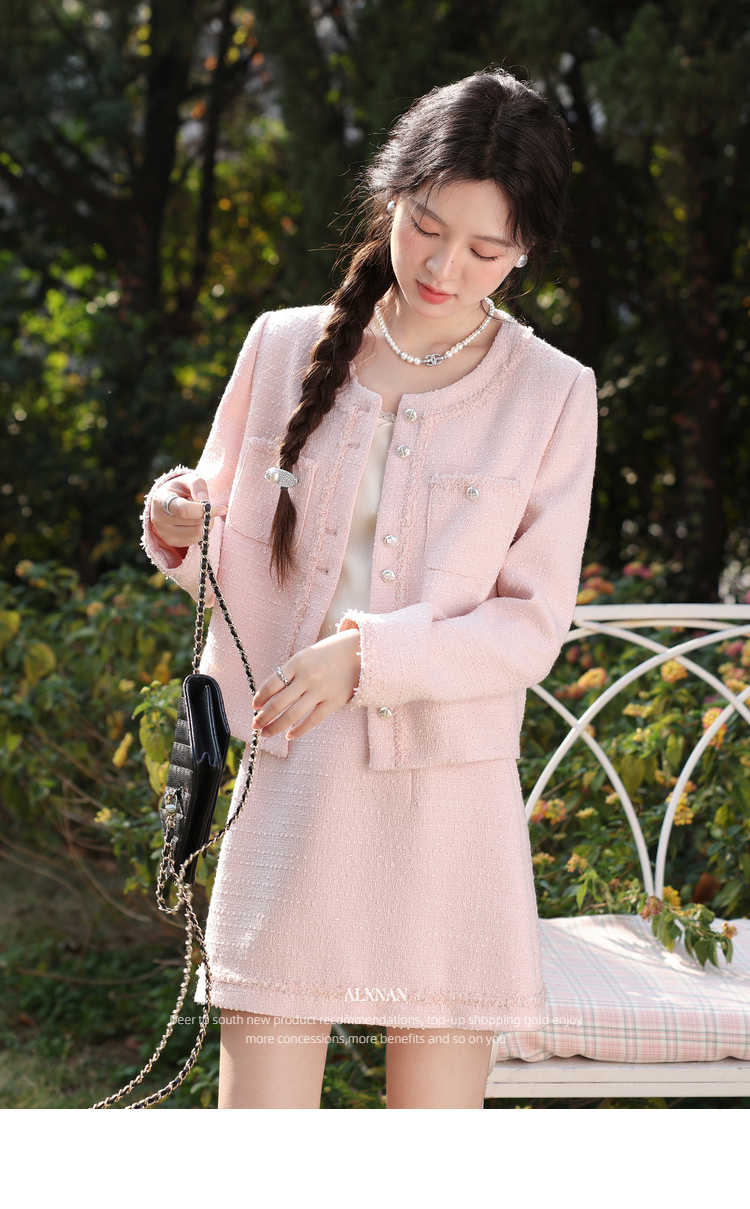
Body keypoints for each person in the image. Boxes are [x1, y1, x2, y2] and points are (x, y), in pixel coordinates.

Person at [142, 67, 597, 1109]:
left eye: (485, 250)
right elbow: (224, 549)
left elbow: (531, 625)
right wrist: (178, 521)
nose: (444, 266)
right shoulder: (282, 346)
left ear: (526, 249)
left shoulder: (553, 393)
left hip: (449, 807)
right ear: (390, 196)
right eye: (426, 226)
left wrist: (368, 656)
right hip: (291, 781)